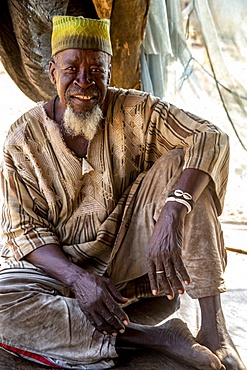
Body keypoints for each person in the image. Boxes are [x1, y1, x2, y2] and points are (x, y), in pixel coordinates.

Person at [0, 15, 245, 370]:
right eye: (71, 70)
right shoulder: (21, 140)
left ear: (109, 73)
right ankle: (155, 337)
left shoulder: (135, 110)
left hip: (127, 257)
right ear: (52, 72)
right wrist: (78, 279)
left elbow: (210, 138)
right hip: (58, 271)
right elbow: (24, 231)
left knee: (186, 168)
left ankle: (214, 329)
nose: (84, 83)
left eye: (95, 71)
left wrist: (173, 211)